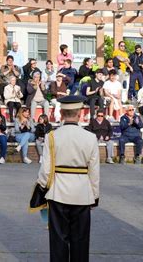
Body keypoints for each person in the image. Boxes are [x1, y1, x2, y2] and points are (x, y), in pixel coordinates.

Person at [36, 95, 99, 262]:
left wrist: (41, 191)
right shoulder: (90, 137)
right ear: (79, 113)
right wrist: (95, 196)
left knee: (58, 240)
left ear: (62, 114)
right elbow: (94, 172)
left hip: (57, 193)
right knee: (80, 241)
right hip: (82, 194)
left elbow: (45, 170)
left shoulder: (52, 136)